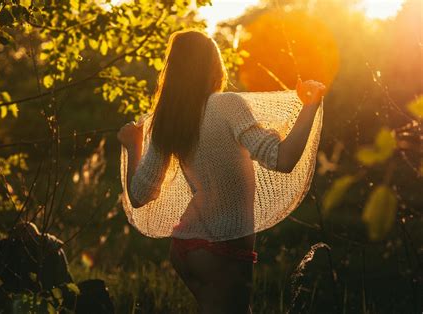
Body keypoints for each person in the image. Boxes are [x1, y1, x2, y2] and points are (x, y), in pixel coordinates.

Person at [117, 29, 325, 314]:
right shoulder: (227, 105)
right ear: (214, 66)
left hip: (186, 247)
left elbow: (139, 195)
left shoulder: (171, 120)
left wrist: (133, 147)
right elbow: (283, 159)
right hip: (222, 247)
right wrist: (310, 107)